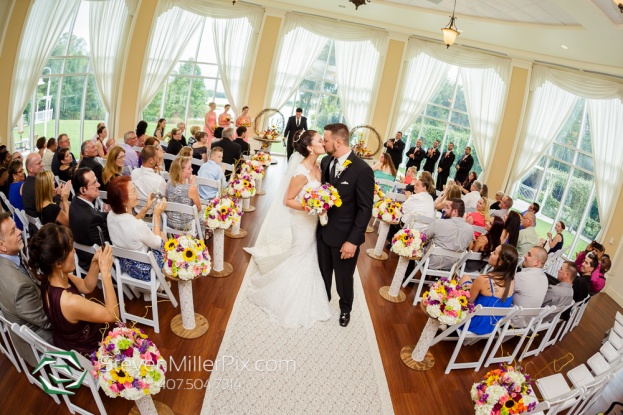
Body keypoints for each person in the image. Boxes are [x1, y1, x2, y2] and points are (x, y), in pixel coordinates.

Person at [244, 130, 332, 328]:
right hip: (302, 221)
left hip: (313, 221)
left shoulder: (319, 165)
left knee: (310, 254)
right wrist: (311, 207)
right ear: (310, 147)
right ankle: (284, 294)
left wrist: (321, 205)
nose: (323, 143)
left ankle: (306, 290)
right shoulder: (300, 172)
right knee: (300, 254)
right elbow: (287, 200)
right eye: (320, 140)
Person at [27, 224, 118, 355]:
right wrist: (106, 274)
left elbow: (87, 286)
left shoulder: (50, 278)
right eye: (70, 249)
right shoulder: (69, 301)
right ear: (58, 263)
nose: (74, 251)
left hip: (67, 339)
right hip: (87, 349)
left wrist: (95, 262)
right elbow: (112, 315)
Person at [319, 123, 374, 327]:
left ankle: (345, 309)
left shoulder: (363, 170)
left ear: (338, 141)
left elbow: (365, 209)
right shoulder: (325, 161)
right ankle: (323, 300)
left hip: (345, 237)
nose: (323, 143)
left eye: (325, 140)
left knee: (344, 278)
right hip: (323, 232)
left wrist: (352, 241)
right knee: (323, 272)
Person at [0, 213, 52, 366]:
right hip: (40, 341)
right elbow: (47, 322)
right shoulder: (19, 287)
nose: (19, 232)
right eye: (13, 231)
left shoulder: (8, 257)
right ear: (2, 246)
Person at [107, 176, 167, 282]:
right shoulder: (137, 225)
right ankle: (164, 275)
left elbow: (130, 222)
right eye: (133, 191)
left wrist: (147, 207)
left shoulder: (110, 216)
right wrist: (156, 216)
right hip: (146, 271)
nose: (137, 194)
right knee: (161, 235)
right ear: (123, 201)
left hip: (126, 265)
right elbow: (157, 244)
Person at [458, 244, 517, 335]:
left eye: (494, 253)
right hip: (490, 326)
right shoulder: (511, 281)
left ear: (500, 262)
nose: (491, 253)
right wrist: (474, 287)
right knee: (467, 281)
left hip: (471, 323)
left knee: (465, 278)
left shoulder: (483, 279)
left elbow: (468, 303)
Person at [69, 168, 111, 270]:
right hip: (94, 263)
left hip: (82, 257)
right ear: (83, 190)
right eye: (94, 183)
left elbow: (96, 215)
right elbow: (107, 245)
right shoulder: (92, 219)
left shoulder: (75, 202)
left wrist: (110, 214)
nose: (99, 185)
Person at [423, 199, 474, 270]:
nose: (444, 209)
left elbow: (424, 239)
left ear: (455, 211)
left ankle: (416, 280)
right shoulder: (470, 229)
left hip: (432, 263)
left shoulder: (438, 223)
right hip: (454, 265)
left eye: (447, 207)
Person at [511, 246, 549, 326]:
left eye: (529, 254)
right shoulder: (545, 278)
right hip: (526, 323)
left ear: (536, 262)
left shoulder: (522, 276)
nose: (525, 255)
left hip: (510, 321)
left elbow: (501, 292)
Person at [166, 157, 202, 231]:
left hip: (169, 223)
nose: (192, 170)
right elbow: (199, 208)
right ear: (180, 171)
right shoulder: (191, 188)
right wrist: (193, 185)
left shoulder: (168, 184)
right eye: (189, 168)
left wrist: (190, 185)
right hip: (186, 226)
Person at [7, 160, 25, 230]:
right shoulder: (22, 186)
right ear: (14, 176)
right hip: (24, 222)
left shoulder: (11, 185)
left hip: (17, 220)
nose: (23, 173)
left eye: (23, 170)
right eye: (20, 171)